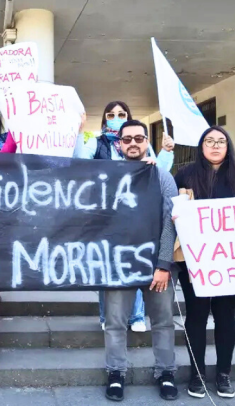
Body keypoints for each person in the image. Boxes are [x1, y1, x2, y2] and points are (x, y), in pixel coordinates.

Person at [173, 126, 235, 399]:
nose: (215, 145)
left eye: (221, 141)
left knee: (225, 316)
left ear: (228, 146)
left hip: (229, 260)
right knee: (196, 316)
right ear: (201, 146)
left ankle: (224, 374)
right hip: (194, 260)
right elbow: (169, 206)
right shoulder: (185, 174)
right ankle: (197, 373)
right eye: (209, 141)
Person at [75, 101, 174, 332]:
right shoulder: (96, 143)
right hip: (107, 216)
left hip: (139, 217)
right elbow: (79, 161)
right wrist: (79, 131)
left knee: (136, 263)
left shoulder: (141, 145)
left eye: (121, 114)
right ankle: (106, 316)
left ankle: (137, 317)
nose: (115, 117)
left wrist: (164, 154)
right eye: (110, 114)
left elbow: (159, 175)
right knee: (107, 269)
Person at [103, 120, 178, 402]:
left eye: (138, 138)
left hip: (155, 266)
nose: (133, 143)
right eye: (127, 139)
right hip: (118, 267)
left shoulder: (161, 176)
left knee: (162, 322)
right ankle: (115, 374)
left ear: (146, 141)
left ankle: (166, 373)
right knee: (114, 323)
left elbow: (170, 222)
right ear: (118, 144)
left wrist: (163, 264)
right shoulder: (107, 176)